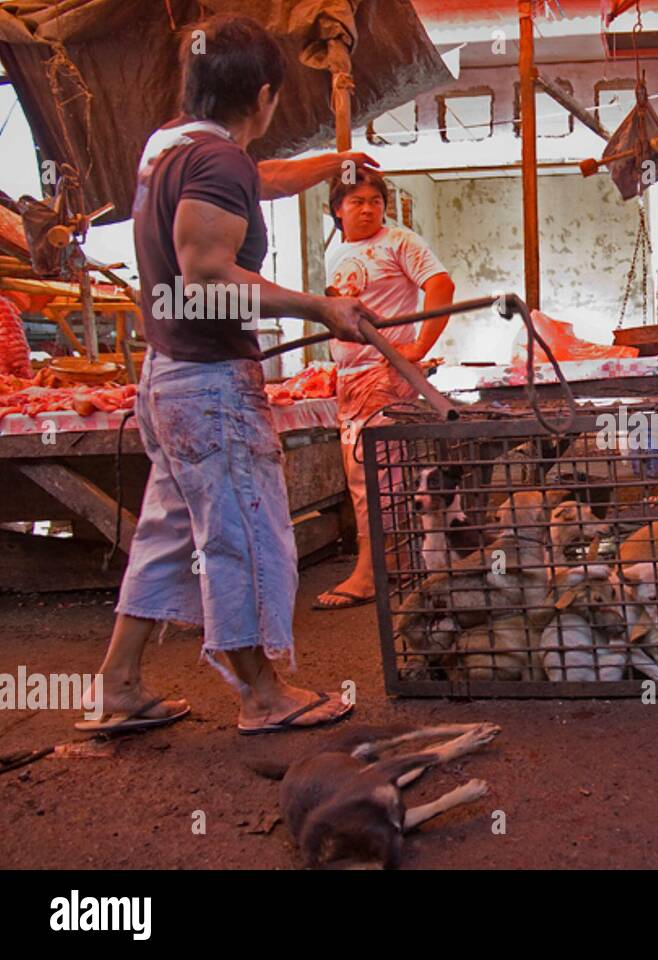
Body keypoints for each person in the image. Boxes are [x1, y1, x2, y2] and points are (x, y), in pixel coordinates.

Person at [80, 13, 380, 735]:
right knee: (243, 533)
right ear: (267, 96)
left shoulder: (171, 148)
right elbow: (207, 272)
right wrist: (320, 307)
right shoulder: (218, 164)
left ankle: (118, 684)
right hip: (208, 385)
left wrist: (337, 163)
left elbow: (255, 175)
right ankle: (263, 695)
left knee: (170, 533)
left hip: (168, 375)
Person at [314, 169, 455, 609]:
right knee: (368, 474)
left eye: (375, 200)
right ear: (337, 209)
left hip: (382, 373)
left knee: (371, 474)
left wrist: (419, 346)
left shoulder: (400, 242)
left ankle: (369, 573)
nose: (369, 208)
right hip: (352, 377)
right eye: (357, 201)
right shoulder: (338, 252)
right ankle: (392, 562)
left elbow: (441, 285)